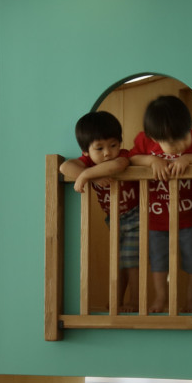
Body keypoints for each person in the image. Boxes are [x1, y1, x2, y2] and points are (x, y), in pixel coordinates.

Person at [130, 95, 192, 314]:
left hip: (189, 216)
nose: (179, 146)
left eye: (183, 137)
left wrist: (189, 159)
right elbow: (132, 159)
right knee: (158, 259)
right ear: (154, 138)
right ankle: (161, 297)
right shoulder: (145, 141)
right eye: (171, 143)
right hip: (156, 217)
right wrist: (152, 160)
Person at [58, 111, 139, 310]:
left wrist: (87, 175)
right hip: (114, 219)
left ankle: (136, 300)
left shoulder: (123, 156)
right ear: (86, 151)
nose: (107, 153)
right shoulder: (89, 165)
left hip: (137, 216)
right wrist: (91, 176)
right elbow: (65, 167)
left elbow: (119, 164)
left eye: (113, 145)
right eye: (99, 148)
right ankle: (117, 301)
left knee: (132, 260)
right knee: (120, 261)